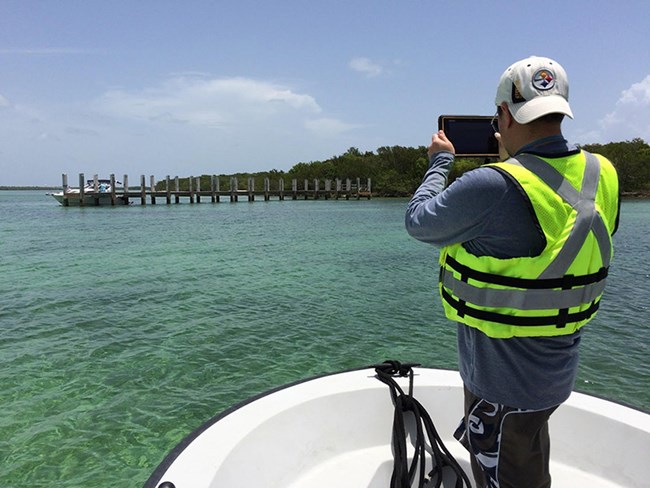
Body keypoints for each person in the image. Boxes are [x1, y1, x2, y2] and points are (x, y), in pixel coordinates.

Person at [405, 55, 620, 487]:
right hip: (552, 378)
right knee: (528, 463)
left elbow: (419, 221)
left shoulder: (493, 184)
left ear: (502, 113)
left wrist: (440, 163)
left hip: (499, 386)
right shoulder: (605, 173)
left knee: (504, 475)